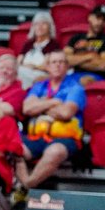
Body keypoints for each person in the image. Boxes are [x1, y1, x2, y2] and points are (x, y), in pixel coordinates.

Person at [18, 50, 86, 190]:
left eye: (61, 62)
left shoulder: (75, 88)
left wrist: (41, 105)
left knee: (55, 151)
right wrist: (54, 102)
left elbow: (66, 113)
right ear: (47, 66)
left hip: (65, 138)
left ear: (67, 67)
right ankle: (25, 183)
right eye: (54, 62)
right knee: (14, 148)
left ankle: (28, 186)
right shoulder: (39, 86)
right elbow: (27, 109)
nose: (57, 65)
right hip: (36, 136)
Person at [63, 4, 105, 84]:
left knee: (84, 81)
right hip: (74, 75)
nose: (100, 22)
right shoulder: (76, 38)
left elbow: (102, 66)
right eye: (97, 18)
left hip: (96, 77)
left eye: (104, 20)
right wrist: (89, 57)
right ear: (89, 17)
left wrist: (75, 61)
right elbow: (64, 60)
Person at [16, 11, 60, 88]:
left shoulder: (53, 45)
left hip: (41, 74)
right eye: (37, 24)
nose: (40, 27)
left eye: (44, 24)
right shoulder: (28, 44)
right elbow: (18, 62)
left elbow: (46, 66)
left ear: (50, 27)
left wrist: (33, 67)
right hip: (23, 71)